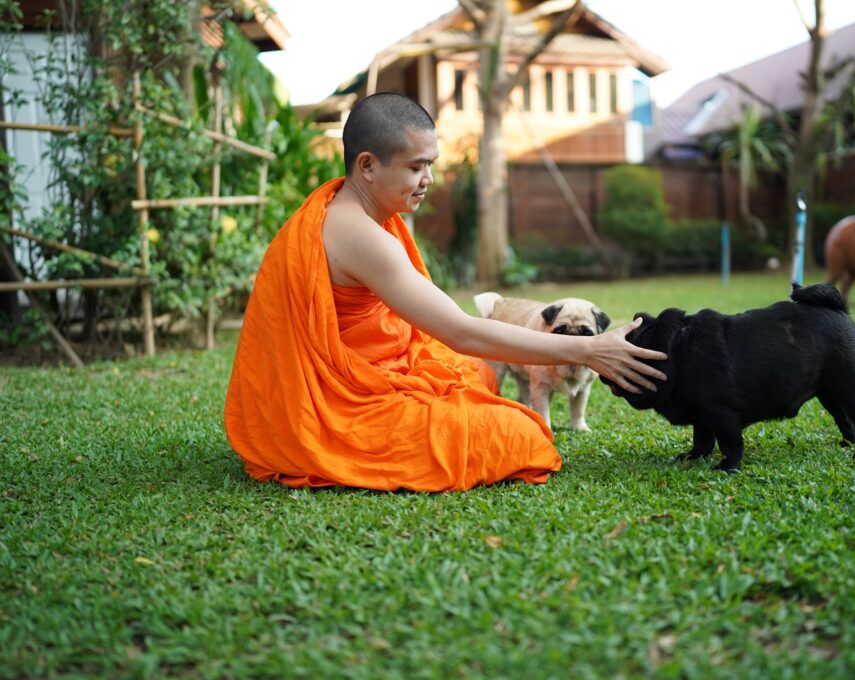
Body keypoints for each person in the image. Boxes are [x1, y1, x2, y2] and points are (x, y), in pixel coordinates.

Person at [223, 92, 667, 492]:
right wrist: (586, 351)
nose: (428, 179)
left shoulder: (350, 209)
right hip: (340, 404)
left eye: (431, 164)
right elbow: (461, 330)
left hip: (376, 366)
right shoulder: (363, 235)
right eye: (416, 166)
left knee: (480, 373)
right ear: (367, 165)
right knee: (521, 436)